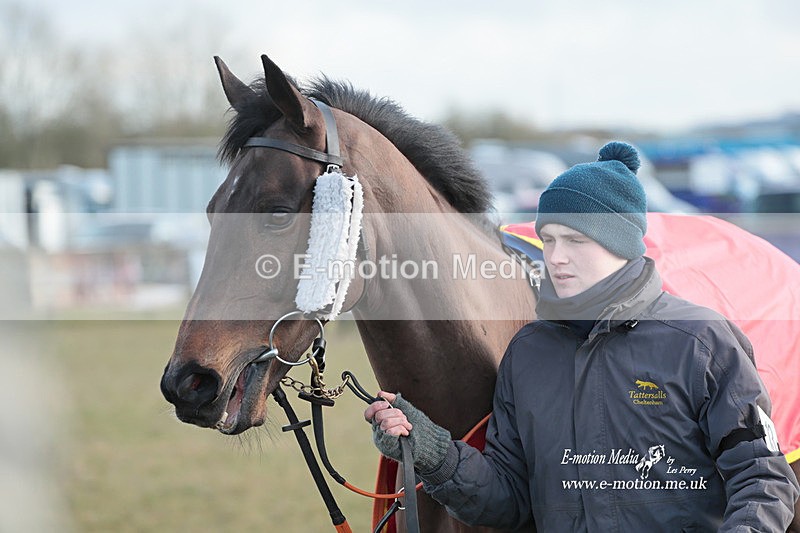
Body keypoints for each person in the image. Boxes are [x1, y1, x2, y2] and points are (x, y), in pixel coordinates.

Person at [364, 141, 800, 531]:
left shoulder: (701, 341)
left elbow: (763, 479)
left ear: (620, 244)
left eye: (575, 240)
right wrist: (431, 451)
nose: (556, 257)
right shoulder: (528, 352)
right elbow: (509, 501)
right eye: (548, 239)